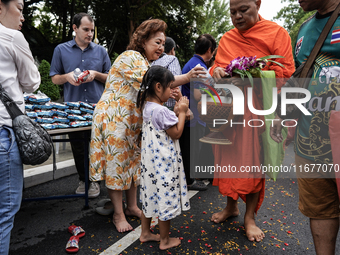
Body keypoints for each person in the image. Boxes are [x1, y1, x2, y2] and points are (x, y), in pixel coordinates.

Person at [89, 19, 204, 233]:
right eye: (157, 42)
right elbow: (149, 83)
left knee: (132, 165)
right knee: (117, 165)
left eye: (163, 43)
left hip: (131, 120)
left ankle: (132, 207)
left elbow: (154, 91)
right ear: (143, 41)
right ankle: (118, 213)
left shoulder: (144, 61)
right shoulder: (130, 57)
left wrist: (172, 93)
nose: (161, 47)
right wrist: (186, 78)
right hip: (115, 119)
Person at [209, 0, 295, 242]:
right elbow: (218, 66)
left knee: (253, 163)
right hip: (228, 113)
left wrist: (250, 80)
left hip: (257, 112)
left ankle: (250, 217)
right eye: (233, 12)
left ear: (257, 4)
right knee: (229, 161)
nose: (237, 16)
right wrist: (216, 70)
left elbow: (285, 74)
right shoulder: (227, 38)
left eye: (243, 10)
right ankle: (231, 206)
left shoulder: (277, 34)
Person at [270, 0, 340, 254]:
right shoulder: (305, 29)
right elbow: (302, 76)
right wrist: (282, 114)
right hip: (310, 145)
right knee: (320, 209)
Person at [50, 12, 111, 198]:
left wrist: (95, 74)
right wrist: (66, 77)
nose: (90, 33)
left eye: (92, 30)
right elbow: (54, 78)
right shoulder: (61, 50)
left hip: (97, 108)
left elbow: (111, 78)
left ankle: (96, 181)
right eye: (86, 29)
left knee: (97, 146)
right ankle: (84, 179)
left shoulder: (101, 51)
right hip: (73, 109)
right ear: (74, 28)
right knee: (78, 146)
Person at [0, 0, 41, 254]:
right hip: (3, 134)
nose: (22, 16)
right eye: (20, 8)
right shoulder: (12, 37)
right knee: (5, 212)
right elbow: (32, 82)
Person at [137, 65, 190, 250]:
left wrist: (176, 111)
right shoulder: (162, 111)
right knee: (164, 200)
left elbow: (164, 124)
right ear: (158, 87)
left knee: (150, 195)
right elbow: (176, 133)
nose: (172, 91)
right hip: (163, 165)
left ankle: (145, 233)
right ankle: (165, 240)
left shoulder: (148, 107)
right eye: (169, 87)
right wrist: (182, 111)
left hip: (150, 166)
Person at [180, 34, 217, 191]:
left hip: (191, 114)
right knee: (192, 150)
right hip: (195, 115)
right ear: (209, 50)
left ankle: (190, 178)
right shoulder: (200, 67)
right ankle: (189, 181)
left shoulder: (192, 63)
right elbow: (197, 94)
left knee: (190, 148)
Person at [152, 36, 182, 111]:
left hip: (154, 103)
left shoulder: (152, 61)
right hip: (170, 106)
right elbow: (174, 83)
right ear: (172, 50)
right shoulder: (172, 59)